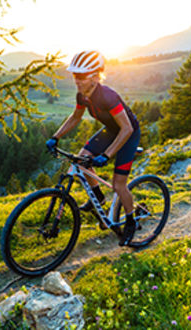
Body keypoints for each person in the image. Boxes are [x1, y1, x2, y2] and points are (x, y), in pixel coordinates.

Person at [45, 50, 141, 246]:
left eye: (81, 76)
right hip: (111, 130)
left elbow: (126, 128)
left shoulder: (108, 96)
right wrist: (56, 137)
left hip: (128, 133)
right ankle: (98, 196)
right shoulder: (82, 95)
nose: (77, 81)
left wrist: (107, 155)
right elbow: (75, 117)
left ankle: (131, 221)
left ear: (95, 76)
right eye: (74, 76)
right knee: (82, 159)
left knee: (118, 185)